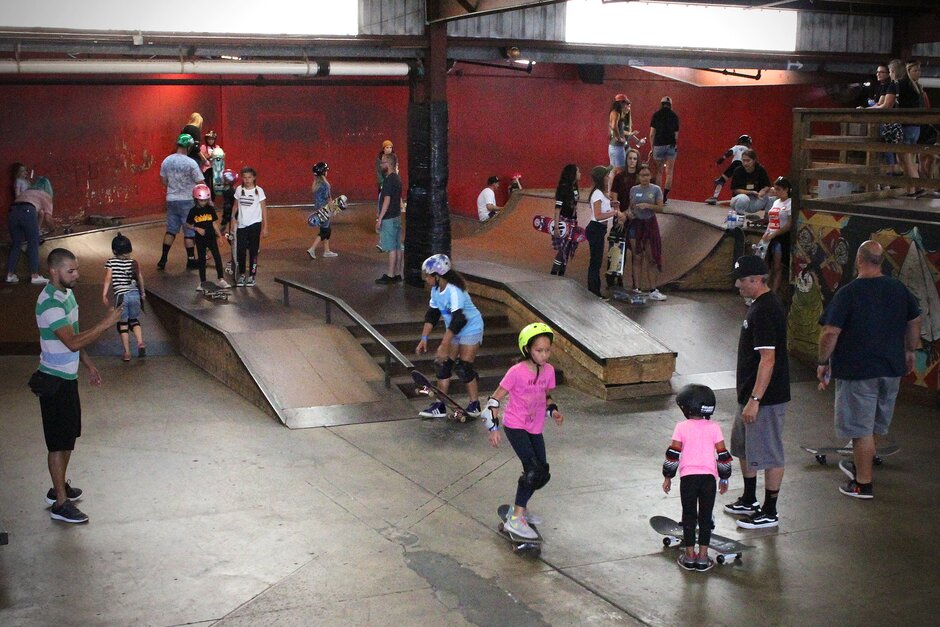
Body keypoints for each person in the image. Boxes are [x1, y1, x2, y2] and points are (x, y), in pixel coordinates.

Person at [816, 241, 921, 499]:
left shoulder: (849, 292)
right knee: (873, 423)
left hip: (859, 371)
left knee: (859, 429)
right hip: (890, 369)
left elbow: (830, 332)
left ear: (860, 260)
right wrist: (910, 351)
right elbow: (915, 319)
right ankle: (864, 462)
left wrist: (822, 361)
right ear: (880, 261)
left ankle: (862, 483)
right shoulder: (898, 289)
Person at [34, 248, 123, 523]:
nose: (77, 274)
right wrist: (106, 323)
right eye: (70, 270)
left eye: (77, 269)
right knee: (57, 443)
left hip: (68, 376)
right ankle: (61, 504)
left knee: (69, 437)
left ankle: (58, 487)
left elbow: (74, 335)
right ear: (54, 271)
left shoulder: (67, 295)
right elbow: (71, 342)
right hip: (53, 380)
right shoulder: (49, 303)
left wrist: (88, 364)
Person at [480, 322, 563, 540]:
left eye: (547, 350)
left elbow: (545, 396)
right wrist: (493, 428)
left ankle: (521, 509)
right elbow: (494, 400)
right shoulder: (516, 372)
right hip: (515, 425)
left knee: (542, 472)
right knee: (532, 470)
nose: (544, 355)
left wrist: (552, 411)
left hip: (535, 426)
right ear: (527, 349)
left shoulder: (549, 371)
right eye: (539, 350)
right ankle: (516, 519)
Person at [725, 255, 790, 529]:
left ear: (757, 280)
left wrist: (755, 400)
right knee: (743, 447)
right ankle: (750, 498)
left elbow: (768, 359)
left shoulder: (765, 311)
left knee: (770, 452)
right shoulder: (758, 306)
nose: (738, 284)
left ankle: (769, 511)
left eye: (742, 280)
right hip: (748, 395)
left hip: (765, 399)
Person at [662, 384, 733, 572]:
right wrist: (724, 478)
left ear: (686, 407)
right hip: (709, 479)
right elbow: (723, 455)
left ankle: (689, 555)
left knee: (689, 516)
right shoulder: (714, 428)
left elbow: (673, 454)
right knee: (705, 517)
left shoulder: (681, 427)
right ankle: (703, 557)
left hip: (688, 479)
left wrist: (668, 476)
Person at [415, 254, 485, 417]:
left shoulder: (454, 290)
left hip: (471, 328)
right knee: (443, 364)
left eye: (428, 276)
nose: (426, 279)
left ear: (438, 276)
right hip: (454, 329)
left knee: (463, 367)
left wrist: (443, 345)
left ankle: (474, 404)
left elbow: (458, 320)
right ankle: (440, 405)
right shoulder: (435, 290)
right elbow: (432, 314)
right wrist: (424, 338)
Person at [157, 134, 204, 271]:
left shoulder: (167, 160)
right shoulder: (191, 163)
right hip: (187, 200)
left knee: (171, 231)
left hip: (171, 199)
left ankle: (163, 258)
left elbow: (163, 180)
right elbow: (200, 182)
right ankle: (190, 260)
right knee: (189, 231)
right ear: (188, 147)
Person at [101, 232, 147, 362]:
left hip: (121, 296)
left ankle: (127, 352)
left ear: (114, 250)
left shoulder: (111, 262)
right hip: (135, 294)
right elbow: (140, 278)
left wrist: (104, 294)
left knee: (123, 324)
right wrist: (142, 293)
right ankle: (140, 342)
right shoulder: (134, 262)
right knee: (134, 320)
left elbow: (108, 278)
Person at [627, 163, 666, 301]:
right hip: (636, 224)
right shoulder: (633, 189)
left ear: (651, 176)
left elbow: (661, 208)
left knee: (652, 257)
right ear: (638, 176)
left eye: (647, 175)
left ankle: (653, 289)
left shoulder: (656, 190)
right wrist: (629, 213)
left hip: (650, 224)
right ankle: (636, 288)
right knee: (637, 257)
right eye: (642, 175)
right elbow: (630, 207)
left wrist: (648, 206)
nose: (645, 178)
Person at [6, 177, 53, 285]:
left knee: (16, 244)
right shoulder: (45, 195)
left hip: (12, 211)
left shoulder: (28, 192)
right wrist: (52, 229)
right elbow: (48, 218)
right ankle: (35, 275)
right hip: (27, 211)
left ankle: (10, 275)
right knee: (33, 242)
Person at [186, 183, 230, 292]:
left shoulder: (210, 209)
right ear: (196, 199)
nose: (203, 202)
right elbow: (188, 224)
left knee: (217, 257)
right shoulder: (193, 211)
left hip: (211, 237)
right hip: (200, 239)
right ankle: (202, 282)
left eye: (205, 200)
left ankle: (221, 279)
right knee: (202, 260)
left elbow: (214, 223)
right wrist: (197, 229)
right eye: (201, 201)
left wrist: (219, 236)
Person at [585, 165, 618, 298]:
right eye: (606, 176)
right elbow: (598, 215)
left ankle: (594, 290)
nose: (608, 178)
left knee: (596, 261)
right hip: (596, 229)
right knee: (595, 262)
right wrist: (613, 212)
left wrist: (612, 205)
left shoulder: (602, 193)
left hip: (600, 229)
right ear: (601, 178)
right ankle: (594, 292)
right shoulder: (597, 193)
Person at [608, 149, 639, 291]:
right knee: (618, 249)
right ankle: (614, 278)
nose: (632, 161)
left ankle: (635, 284)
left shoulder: (639, 177)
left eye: (634, 159)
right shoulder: (620, 177)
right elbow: (614, 196)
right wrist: (618, 213)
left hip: (634, 217)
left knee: (636, 251)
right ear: (626, 160)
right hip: (620, 216)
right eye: (630, 158)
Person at [232, 166, 267, 287]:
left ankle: (252, 275)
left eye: (249, 177)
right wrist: (233, 220)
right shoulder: (238, 190)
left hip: (255, 224)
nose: (247, 180)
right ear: (242, 178)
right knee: (241, 251)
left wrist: (265, 227)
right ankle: (242, 274)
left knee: (253, 251)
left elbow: (263, 209)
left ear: (254, 178)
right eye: (245, 177)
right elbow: (235, 206)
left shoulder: (259, 191)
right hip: (242, 225)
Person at [896, 60, 925, 196]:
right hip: (915, 127)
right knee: (909, 157)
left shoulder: (904, 85)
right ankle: (915, 186)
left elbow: (898, 103)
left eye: (918, 71)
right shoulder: (918, 87)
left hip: (907, 125)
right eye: (916, 71)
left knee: (906, 158)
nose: (918, 73)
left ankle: (914, 188)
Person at [759, 176, 792, 295]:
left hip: (781, 237)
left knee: (777, 267)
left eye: (778, 189)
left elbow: (789, 224)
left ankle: (774, 293)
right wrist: (767, 233)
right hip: (770, 235)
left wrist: (774, 234)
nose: (776, 192)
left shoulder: (790, 203)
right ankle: (765, 291)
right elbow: (771, 220)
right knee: (768, 265)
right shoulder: (776, 202)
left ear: (786, 189)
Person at [607, 94, 645, 192]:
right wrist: (619, 138)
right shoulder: (616, 113)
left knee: (615, 169)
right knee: (619, 170)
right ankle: (614, 191)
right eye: (625, 103)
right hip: (617, 146)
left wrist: (633, 137)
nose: (626, 106)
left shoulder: (617, 113)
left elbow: (618, 129)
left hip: (617, 146)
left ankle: (611, 191)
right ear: (620, 103)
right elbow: (614, 127)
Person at [375, 153, 403, 284]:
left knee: (391, 248)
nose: (381, 165)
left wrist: (380, 218)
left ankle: (391, 275)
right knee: (397, 247)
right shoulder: (397, 178)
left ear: (389, 164)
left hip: (389, 218)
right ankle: (397, 273)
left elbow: (387, 200)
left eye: (383, 163)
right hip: (396, 216)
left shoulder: (388, 180)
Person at [550, 164, 580, 276]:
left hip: (572, 221)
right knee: (562, 249)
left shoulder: (575, 187)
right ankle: (554, 272)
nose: (580, 174)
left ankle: (561, 273)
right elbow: (557, 209)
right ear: (572, 174)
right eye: (578, 172)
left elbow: (575, 204)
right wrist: (556, 226)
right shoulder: (563, 188)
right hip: (563, 221)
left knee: (568, 248)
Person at [648, 96, 679, 203]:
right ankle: (665, 197)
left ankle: (658, 197)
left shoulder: (656, 115)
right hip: (671, 146)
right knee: (669, 172)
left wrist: (652, 148)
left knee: (659, 172)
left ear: (661, 104)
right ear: (670, 105)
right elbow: (676, 135)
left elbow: (652, 134)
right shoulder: (675, 116)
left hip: (658, 146)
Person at [706, 135, 753, 205]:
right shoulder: (749, 151)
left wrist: (722, 159)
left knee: (722, 180)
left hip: (735, 164)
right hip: (744, 167)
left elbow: (729, 152)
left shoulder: (737, 147)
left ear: (740, 141)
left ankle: (715, 197)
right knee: (742, 184)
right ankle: (740, 199)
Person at [306, 162, 339, 259]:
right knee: (324, 231)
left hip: (318, 209)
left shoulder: (316, 184)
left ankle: (327, 250)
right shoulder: (325, 185)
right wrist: (333, 209)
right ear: (323, 173)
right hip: (325, 209)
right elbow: (328, 198)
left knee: (326, 228)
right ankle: (312, 249)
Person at [729, 150, 773, 215]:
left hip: (755, 200)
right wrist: (751, 192)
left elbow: (767, 185)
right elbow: (736, 190)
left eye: (748, 160)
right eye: (743, 160)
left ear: (754, 160)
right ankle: (738, 217)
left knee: (772, 195)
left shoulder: (760, 170)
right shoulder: (738, 171)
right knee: (743, 198)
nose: (745, 163)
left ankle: (767, 218)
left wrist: (763, 191)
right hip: (739, 200)